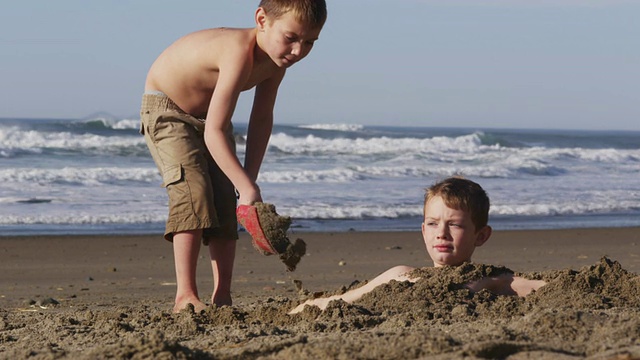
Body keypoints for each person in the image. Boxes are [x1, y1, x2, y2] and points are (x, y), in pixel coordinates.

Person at [140, 0, 327, 313]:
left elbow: (261, 118)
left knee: (226, 198)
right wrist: (247, 185)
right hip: (168, 108)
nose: (298, 51)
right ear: (262, 20)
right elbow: (215, 131)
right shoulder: (238, 51)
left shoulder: (276, 63)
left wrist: (247, 182)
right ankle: (185, 295)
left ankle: (222, 295)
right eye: (291, 38)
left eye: (309, 42)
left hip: (211, 116)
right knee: (193, 192)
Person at [290, 177, 547, 314]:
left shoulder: (489, 279)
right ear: (423, 231)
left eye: (455, 225)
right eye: (433, 224)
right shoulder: (402, 275)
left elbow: (549, 289)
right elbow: (344, 300)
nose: (442, 234)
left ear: (481, 236)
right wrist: (303, 308)